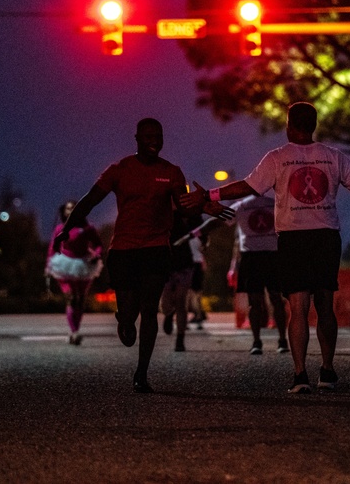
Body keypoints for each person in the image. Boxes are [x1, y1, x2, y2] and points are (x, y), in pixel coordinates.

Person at [180, 102, 350, 394]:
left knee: (298, 308)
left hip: (292, 238)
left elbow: (248, 187)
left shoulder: (278, 158)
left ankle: (300, 374)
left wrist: (209, 193)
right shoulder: (332, 156)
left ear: (290, 125)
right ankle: (327, 371)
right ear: (314, 125)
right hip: (326, 237)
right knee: (325, 306)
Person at [54, 117, 231, 393]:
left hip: (156, 249)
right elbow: (90, 200)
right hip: (123, 251)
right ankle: (123, 319)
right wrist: (67, 228)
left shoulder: (172, 172)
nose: (154, 141)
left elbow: (182, 207)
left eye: (158, 136)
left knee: (150, 310)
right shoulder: (119, 169)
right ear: (136, 139)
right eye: (148, 136)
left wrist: (203, 205)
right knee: (129, 314)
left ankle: (141, 373)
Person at [226, 194, 289, 355]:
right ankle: (272, 341)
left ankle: (264, 341)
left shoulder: (243, 205)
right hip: (266, 257)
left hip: (257, 257)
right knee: (273, 301)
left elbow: (221, 223)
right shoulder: (273, 203)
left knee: (260, 302)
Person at [46, 200, 103, 345]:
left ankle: (75, 330)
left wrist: (96, 255)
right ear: (64, 212)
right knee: (71, 297)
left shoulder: (88, 228)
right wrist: (48, 265)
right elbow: (53, 247)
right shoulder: (60, 228)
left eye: (73, 208)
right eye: (68, 209)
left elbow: (98, 245)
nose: (70, 211)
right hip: (64, 264)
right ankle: (74, 332)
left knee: (80, 299)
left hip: (84, 264)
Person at [161, 212, 202, 352]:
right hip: (166, 261)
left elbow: (203, 231)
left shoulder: (193, 215)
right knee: (165, 303)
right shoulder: (165, 211)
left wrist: (204, 241)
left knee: (181, 301)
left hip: (185, 262)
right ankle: (168, 314)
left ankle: (180, 339)